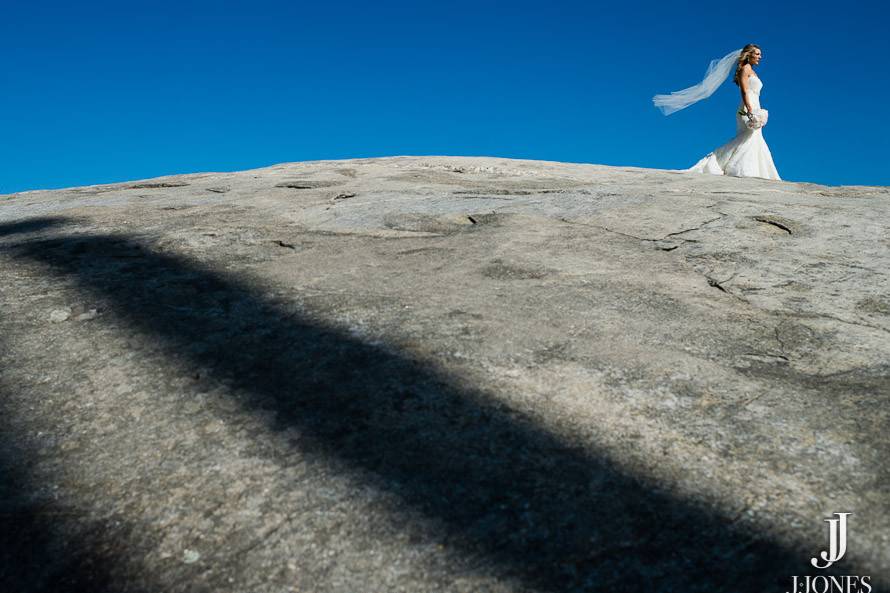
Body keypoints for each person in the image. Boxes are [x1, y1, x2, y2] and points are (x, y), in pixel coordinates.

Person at [653, 44, 781, 180]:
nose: (760, 57)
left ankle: (755, 170)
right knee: (748, 135)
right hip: (747, 106)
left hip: (755, 104)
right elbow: (744, 91)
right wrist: (749, 109)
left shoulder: (753, 72)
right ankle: (724, 165)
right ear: (748, 55)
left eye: (760, 54)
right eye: (757, 54)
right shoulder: (745, 70)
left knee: (753, 136)